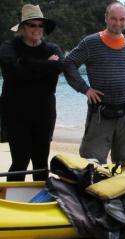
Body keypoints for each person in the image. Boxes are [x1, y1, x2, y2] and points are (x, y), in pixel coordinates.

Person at [63, 2, 125, 166]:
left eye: (122, 19)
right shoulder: (91, 43)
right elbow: (69, 63)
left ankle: (123, 191)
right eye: (114, 18)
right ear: (106, 18)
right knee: (92, 162)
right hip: (100, 112)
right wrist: (84, 89)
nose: (118, 23)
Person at [0, 4, 63, 181]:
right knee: (20, 161)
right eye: (32, 25)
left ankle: (40, 204)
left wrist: (25, 63)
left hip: (44, 113)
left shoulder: (53, 49)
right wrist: (46, 66)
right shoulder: (8, 46)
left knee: (41, 163)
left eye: (40, 25)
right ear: (22, 27)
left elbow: (57, 69)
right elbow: (12, 73)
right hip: (15, 114)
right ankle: (13, 205)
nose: (37, 29)